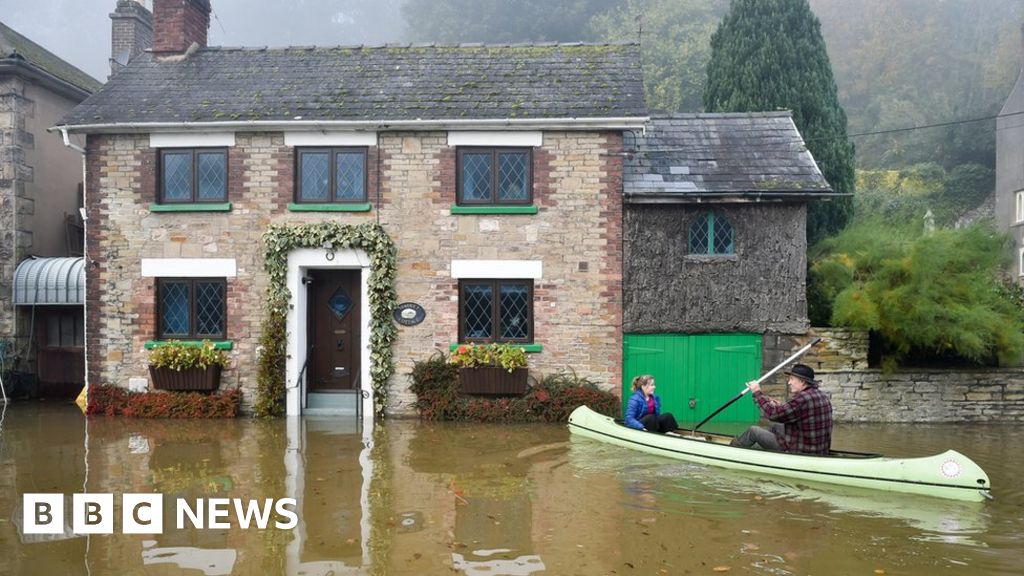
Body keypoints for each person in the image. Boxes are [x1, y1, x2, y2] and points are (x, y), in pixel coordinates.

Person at [729, 364, 832, 454]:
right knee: (776, 427)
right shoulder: (820, 395)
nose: (789, 383)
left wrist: (757, 393)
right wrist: (780, 406)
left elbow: (773, 415)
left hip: (801, 451)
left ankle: (731, 451)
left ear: (803, 382)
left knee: (753, 431)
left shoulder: (802, 399)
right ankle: (762, 451)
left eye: (792, 379)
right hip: (819, 448)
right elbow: (797, 412)